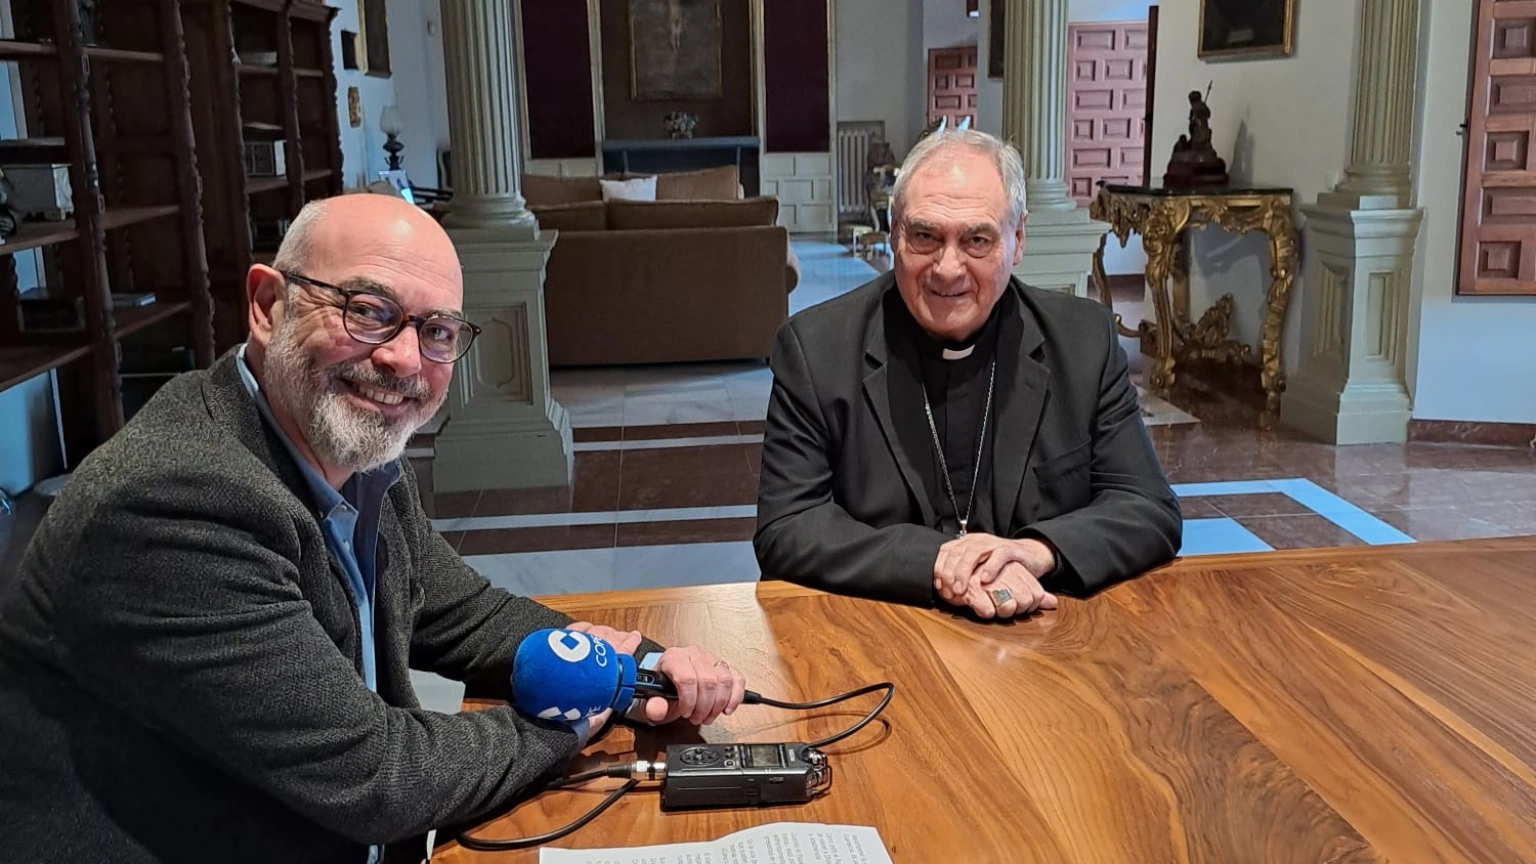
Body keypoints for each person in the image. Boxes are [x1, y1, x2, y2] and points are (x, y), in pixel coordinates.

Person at [0, 195, 747, 863]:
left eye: (436, 331)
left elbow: (465, 616)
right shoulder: (172, 503)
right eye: (367, 310)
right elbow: (378, 776)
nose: (401, 359)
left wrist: (639, 670)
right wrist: (574, 714)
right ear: (268, 305)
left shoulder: (354, 457)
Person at [754, 129, 1181, 620]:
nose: (947, 269)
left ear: (1018, 240)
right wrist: (939, 562)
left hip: (1041, 633)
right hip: (881, 628)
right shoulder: (816, 349)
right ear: (894, 232)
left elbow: (1147, 507)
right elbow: (787, 525)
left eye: (977, 240)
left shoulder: (1083, 342)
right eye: (925, 236)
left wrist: (1035, 551)